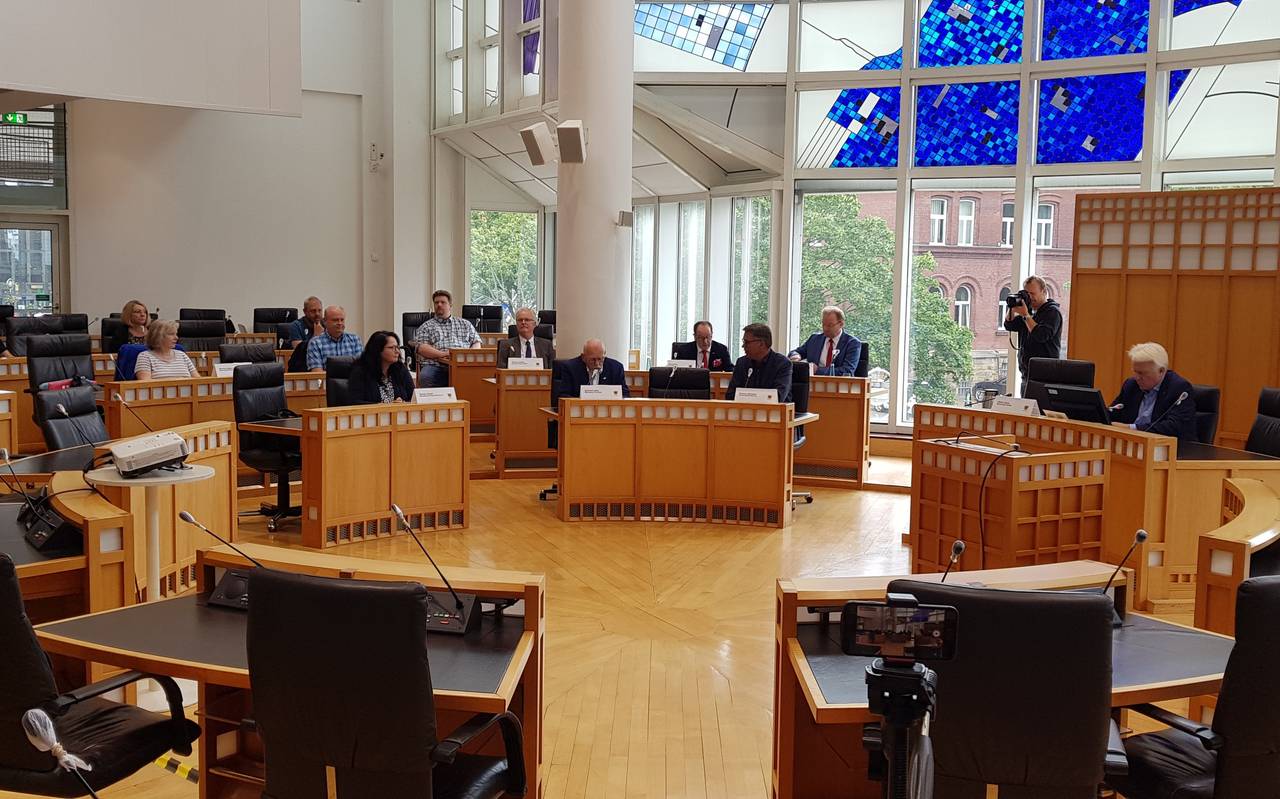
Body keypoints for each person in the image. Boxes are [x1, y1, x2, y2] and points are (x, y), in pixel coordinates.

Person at [1108, 342, 1197, 443]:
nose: (1137, 377)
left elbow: (1174, 426)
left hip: (1171, 447)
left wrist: (1131, 428)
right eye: (1135, 371)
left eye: (1142, 373)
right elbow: (1113, 412)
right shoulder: (1131, 385)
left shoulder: (1179, 388)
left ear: (1161, 371)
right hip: (1134, 444)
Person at [1004, 275, 1063, 393]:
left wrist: (1026, 316)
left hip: (1045, 377)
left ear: (1044, 292)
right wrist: (1012, 307)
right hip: (1027, 375)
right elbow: (1009, 325)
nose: (1030, 297)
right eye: (1027, 294)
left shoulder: (1052, 312)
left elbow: (1041, 335)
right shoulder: (1030, 312)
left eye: (1033, 293)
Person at [413, 289, 481, 387]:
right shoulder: (426, 326)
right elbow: (421, 348)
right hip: (436, 365)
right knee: (425, 377)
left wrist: (468, 357)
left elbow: (476, 342)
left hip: (462, 365)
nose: (439, 305)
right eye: (436, 302)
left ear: (450, 305)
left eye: (443, 302)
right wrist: (444, 354)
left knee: (482, 376)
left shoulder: (465, 324)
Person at [788, 306, 862, 377]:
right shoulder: (814, 339)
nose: (825, 328)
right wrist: (795, 355)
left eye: (830, 325)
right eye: (823, 324)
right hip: (812, 383)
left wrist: (817, 370)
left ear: (841, 324)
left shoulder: (852, 343)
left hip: (839, 384)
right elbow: (796, 352)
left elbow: (847, 371)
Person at [727, 323, 792, 402]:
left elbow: (778, 397)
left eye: (747, 342)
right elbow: (730, 395)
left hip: (774, 409)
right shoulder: (742, 363)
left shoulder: (783, 364)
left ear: (761, 344)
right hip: (744, 409)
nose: (743, 346)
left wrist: (748, 397)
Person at [347, 331, 414, 404]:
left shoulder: (400, 369)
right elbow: (354, 402)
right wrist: (381, 406)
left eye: (397, 347)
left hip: (400, 411)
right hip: (372, 411)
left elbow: (413, 397)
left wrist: (403, 403)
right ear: (378, 350)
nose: (397, 351)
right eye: (391, 347)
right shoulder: (360, 372)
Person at [558, 339, 630, 398]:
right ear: (583, 357)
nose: (597, 363)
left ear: (604, 355)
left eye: (600, 359)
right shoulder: (570, 368)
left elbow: (625, 395)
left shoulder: (616, 368)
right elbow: (563, 396)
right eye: (592, 360)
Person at [134, 320, 199, 380]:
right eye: (171, 334)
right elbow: (145, 385)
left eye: (176, 334)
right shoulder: (145, 357)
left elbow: (198, 381)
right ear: (158, 336)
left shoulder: (182, 355)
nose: (176, 338)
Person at [306, 305, 361, 372]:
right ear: (325, 321)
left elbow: (361, 369)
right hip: (326, 379)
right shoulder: (315, 343)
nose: (340, 323)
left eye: (342, 320)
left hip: (352, 378)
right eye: (335, 320)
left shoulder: (355, 340)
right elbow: (317, 374)